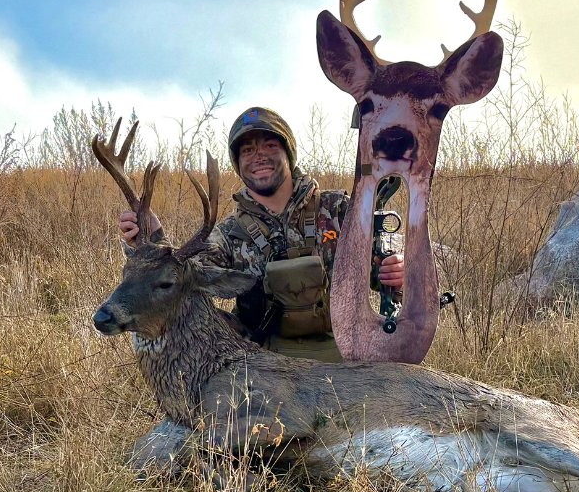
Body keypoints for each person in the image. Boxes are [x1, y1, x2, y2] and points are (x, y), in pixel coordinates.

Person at [119, 106, 403, 362]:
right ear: (239, 163)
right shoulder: (230, 234)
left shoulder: (339, 209)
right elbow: (186, 275)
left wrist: (394, 273)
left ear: (288, 154)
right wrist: (154, 240)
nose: (259, 156)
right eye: (247, 150)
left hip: (344, 349)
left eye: (270, 145)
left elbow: (379, 274)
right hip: (261, 362)